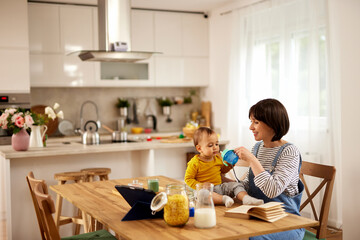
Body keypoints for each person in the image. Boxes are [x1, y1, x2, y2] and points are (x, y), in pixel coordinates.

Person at [234, 98, 305, 240]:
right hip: (259, 216)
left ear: (272, 124)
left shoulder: (289, 152)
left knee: (249, 238)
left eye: (256, 122)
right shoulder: (258, 148)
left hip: (286, 222)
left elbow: (272, 190)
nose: (250, 127)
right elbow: (250, 185)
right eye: (251, 122)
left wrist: (252, 160)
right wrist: (226, 182)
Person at [184, 127, 264, 207]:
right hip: (206, 190)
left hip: (220, 187)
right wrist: (200, 186)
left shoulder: (218, 158)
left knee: (235, 185)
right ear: (199, 148)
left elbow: (222, 171)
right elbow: (188, 179)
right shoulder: (194, 163)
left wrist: (230, 164)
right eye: (210, 145)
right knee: (201, 194)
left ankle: (246, 198)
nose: (215, 147)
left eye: (216, 144)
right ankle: (223, 199)